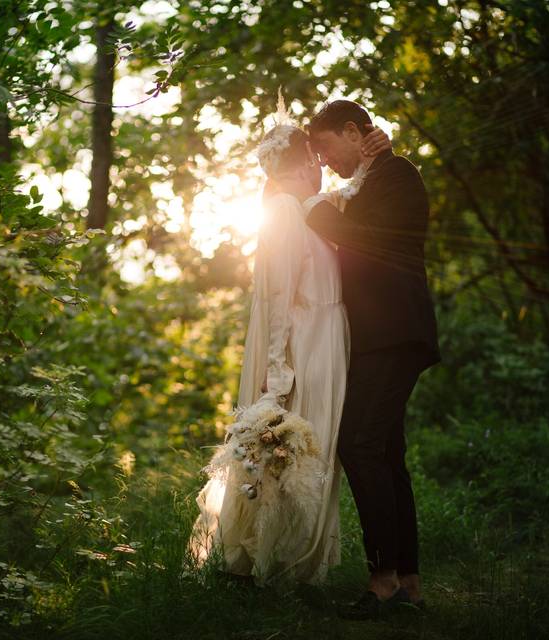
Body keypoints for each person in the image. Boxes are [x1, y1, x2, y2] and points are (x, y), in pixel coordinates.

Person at [187, 94, 391, 588]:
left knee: (313, 454)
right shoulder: (282, 209)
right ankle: (273, 566)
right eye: (317, 161)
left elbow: (353, 197)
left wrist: (374, 153)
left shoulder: (307, 207)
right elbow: (278, 298)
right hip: (307, 347)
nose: (324, 169)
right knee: (297, 453)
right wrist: (278, 373)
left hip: (327, 340)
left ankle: (297, 565)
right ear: (301, 164)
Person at [290, 99, 441, 619]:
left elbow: (365, 240)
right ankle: (409, 583)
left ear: (355, 132)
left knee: (357, 442)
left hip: (396, 332)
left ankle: (383, 580)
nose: (325, 162)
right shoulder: (364, 181)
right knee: (386, 453)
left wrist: (310, 201)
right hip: (379, 337)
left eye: (327, 148)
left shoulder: (397, 173)